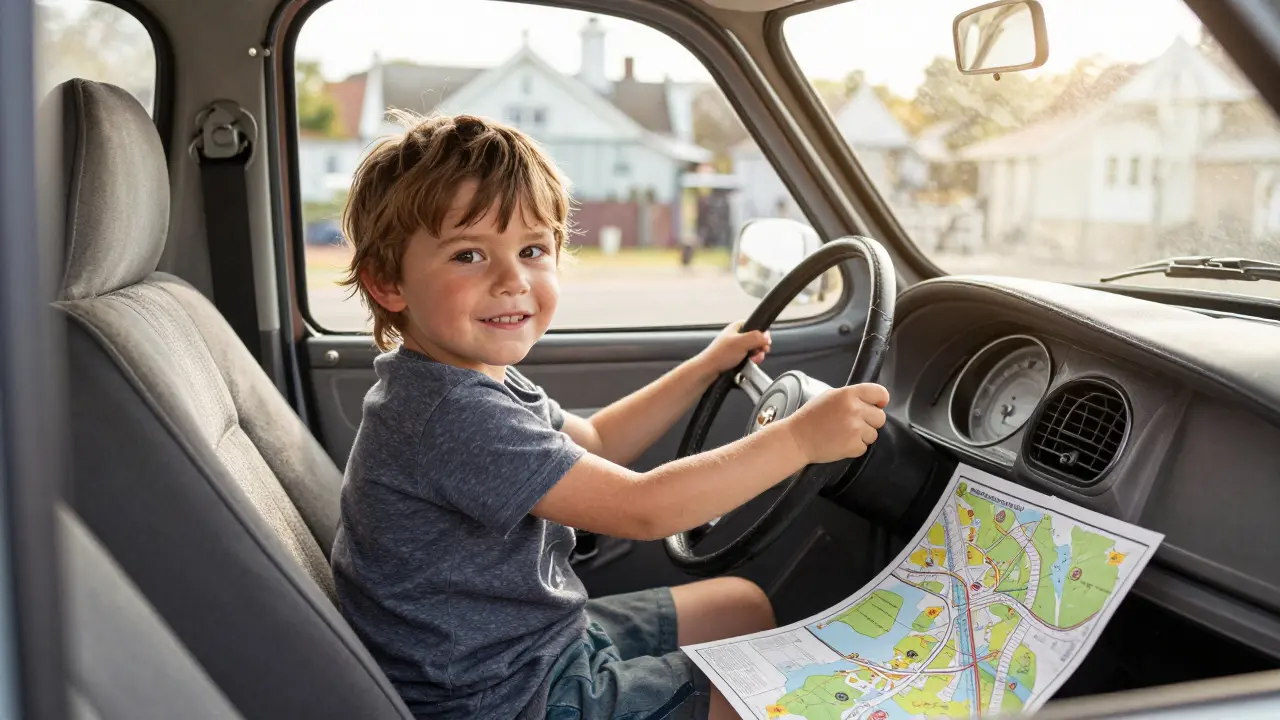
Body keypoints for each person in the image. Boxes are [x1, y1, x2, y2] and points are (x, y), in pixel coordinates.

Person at [330, 111, 890, 720]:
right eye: (469, 254)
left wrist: (703, 366)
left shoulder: (471, 380)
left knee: (740, 605)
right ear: (389, 283)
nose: (512, 280)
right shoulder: (447, 413)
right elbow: (643, 508)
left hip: (536, 642)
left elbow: (594, 440)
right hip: (504, 697)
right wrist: (801, 439)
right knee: (773, 689)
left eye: (532, 249)